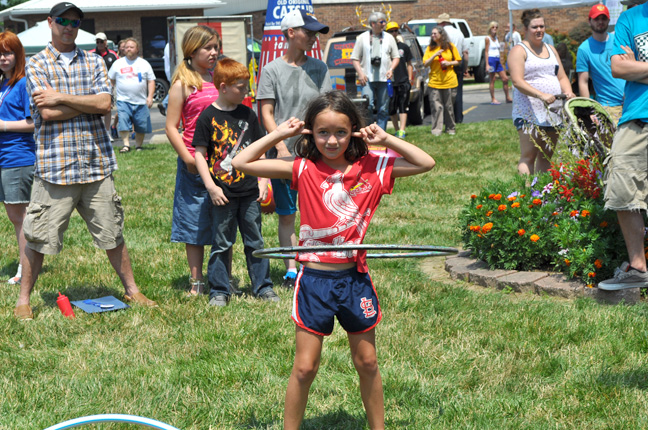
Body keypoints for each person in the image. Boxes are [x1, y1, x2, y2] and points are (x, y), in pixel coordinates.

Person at [231, 90, 436, 430]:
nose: (331, 140)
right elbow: (242, 163)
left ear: (355, 131)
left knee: (367, 361)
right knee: (305, 367)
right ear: (310, 132)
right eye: (322, 131)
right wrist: (281, 134)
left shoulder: (373, 167)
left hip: (354, 279)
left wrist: (386, 138)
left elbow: (425, 163)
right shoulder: (304, 168)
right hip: (314, 281)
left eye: (341, 132)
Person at [18, 2, 156, 320]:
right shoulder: (36, 64)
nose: (69, 26)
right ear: (50, 22)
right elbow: (47, 112)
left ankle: (132, 290)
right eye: (63, 20)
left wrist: (63, 97)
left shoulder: (94, 61)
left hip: (96, 164)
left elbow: (106, 103)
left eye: (75, 21)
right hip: (55, 167)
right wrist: (87, 103)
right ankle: (23, 299)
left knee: (113, 233)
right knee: (38, 237)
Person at [193, 58, 278, 306]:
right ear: (223, 87)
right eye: (241, 87)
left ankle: (263, 286)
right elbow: (199, 154)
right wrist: (211, 187)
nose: (246, 92)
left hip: (250, 191)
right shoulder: (207, 117)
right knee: (221, 243)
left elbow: (259, 149)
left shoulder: (248, 115)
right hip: (222, 193)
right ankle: (219, 290)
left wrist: (263, 180)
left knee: (255, 241)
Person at [257, 8, 331, 288]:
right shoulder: (271, 70)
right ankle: (291, 269)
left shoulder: (319, 68)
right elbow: (266, 113)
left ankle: (316, 262)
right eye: (308, 32)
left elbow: (327, 106)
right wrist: (280, 147)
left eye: (315, 33)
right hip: (285, 154)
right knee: (287, 213)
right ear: (290, 33)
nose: (313, 37)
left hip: (317, 153)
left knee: (318, 212)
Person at [165, 25, 220, 296]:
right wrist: (187, 157)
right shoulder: (183, 84)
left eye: (215, 47)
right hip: (193, 164)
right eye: (207, 47)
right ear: (191, 50)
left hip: (223, 162)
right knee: (194, 221)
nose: (213, 52)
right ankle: (197, 281)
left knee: (223, 220)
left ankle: (221, 277)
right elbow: (171, 127)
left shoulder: (218, 78)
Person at [598, 1, 648, 290]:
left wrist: (638, 67)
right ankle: (638, 268)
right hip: (635, 117)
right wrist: (628, 67)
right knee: (622, 187)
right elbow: (618, 67)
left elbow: (630, 67)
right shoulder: (630, 18)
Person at [508, 9, 575, 175]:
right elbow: (517, 81)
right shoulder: (519, 50)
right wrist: (541, 95)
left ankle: (542, 195)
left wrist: (568, 92)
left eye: (542, 26)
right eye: (534, 27)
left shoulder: (551, 49)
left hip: (553, 110)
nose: (539, 30)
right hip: (528, 111)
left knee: (547, 155)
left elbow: (561, 77)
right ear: (525, 29)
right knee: (529, 155)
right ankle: (525, 196)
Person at [0, 31, 35, 286]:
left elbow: (34, 123)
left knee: (20, 216)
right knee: (14, 215)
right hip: (4, 158)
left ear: (18, 54)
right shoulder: (4, 83)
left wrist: (3, 126)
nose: (2, 58)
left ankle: (26, 269)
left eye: (7, 52)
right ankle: (26, 263)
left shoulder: (23, 83)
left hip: (18, 157)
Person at [576, 4, 625, 124]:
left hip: (632, 102)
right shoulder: (584, 49)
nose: (600, 22)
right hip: (608, 106)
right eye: (596, 19)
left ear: (609, 20)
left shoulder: (618, 40)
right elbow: (583, 82)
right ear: (589, 21)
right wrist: (589, 110)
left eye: (603, 18)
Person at [351, 11, 400, 130]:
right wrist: (361, 73)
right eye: (381, 22)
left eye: (384, 21)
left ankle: (381, 134)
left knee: (383, 108)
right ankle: (368, 131)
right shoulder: (362, 38)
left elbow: (396, 57)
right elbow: (355, 58)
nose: (384, 24)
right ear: (373, 24)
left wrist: (391, 69)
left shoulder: (389, 38)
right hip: (367, 78)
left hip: (385, 78)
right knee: (367, 106)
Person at [108, 37, 155, 153]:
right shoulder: (118, 63)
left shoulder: (144, 64)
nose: (128, 49)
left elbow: (151, 81)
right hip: (123, 100)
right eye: (127, 47)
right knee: (123, 121)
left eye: (131, 47)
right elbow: (111, 80)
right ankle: (126, 145)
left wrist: (150, 97)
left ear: (137, 49)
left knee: (141, 125)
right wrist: (109, 95)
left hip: (141, 101)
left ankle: (138, 146)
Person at [422, 26, 462, 136]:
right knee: (436, 107)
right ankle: (436, 130)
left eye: (435, 33)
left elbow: (458, 61)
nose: (433, 35)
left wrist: (449, 63)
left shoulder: (450, 47)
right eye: (432, 34)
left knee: (449, 107)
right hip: (435, 82)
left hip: (449, 81)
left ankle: (450, 128)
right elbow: (425, 63)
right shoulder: (430, 48)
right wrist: (434, 55)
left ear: (441, 34)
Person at [438, 13, 469, 123]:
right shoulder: (459, 33)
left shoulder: (442, 33)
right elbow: (465, 53)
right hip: (458, 62)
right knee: (458, 91)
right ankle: (458, 118)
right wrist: (465, 67)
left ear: (442, 23)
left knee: (445, 91)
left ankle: (447, 119)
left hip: (446, 63)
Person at [385, 21, 412, 138]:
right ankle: (396, 129)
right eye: (391, 31)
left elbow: (409, 63)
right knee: (392, 107)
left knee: (403, 105)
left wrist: (410, 79)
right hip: (390, 82)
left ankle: (402, 130)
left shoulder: (403, 47)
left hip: (402, 80)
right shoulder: (385, 48)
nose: (393, 33)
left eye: (395, 30)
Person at [90, 32, 118, 140]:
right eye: (97, 42)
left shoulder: (113, 55)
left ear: (106, 42)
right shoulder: (91, 54)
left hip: (109, 85)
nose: (99, 44)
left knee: (107, 108)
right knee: (95, 108)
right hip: (95, 85)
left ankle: (107, 132)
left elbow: (117, 69)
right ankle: (96, 131)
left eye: (101, 41)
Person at [485, 21, 512, 105]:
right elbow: (486, 52)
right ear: (490, 28)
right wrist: (487, 64)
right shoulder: (487, 38)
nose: (495, 29)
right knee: (492, 79)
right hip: (491, 59)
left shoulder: (496, 38)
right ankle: (493, 98)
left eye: (496, 27)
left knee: (505, 78)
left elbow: (501, 47)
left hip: (497, 60)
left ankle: (507, 97)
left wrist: (505, 38)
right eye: (493, 27)